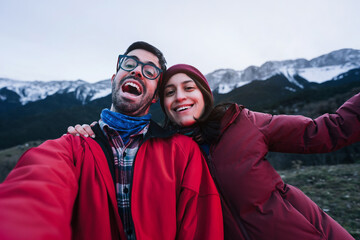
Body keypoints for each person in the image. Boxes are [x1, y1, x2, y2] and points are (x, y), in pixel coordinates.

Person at [70, 63, 359, 240]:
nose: (180, 97)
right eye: (170, 92)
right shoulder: (162, 151)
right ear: (162, 103)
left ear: (204, 94)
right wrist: (92, 132)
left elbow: (325, 132)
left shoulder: (243, 123)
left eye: (188, 88)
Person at [0, 45, 224, 240]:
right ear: (113, 79)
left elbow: (202, 228)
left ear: (156, 96)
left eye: (150, 71)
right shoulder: (73, 146)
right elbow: (36, 187)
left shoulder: (183, 152)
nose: (136, 70)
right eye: (129, 64)